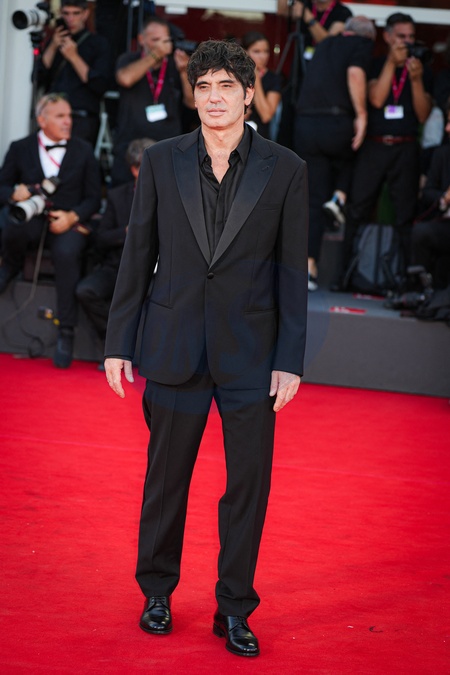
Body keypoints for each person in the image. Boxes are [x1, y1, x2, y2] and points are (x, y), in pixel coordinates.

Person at [104, 39, 308, 657]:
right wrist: (119, 341)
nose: (214, 98)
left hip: (251, 352)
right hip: (174, 344)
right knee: (166, 481)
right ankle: (157, 592)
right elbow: (138, 252)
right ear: (192, 96)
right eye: (203, 87)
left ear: (249, 95)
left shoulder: (286, 167)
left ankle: (235, 607)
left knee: (248, 487)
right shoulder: (161, 159)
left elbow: (290, 272)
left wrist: (290, 359)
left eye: (226, 87)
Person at [0, 94, 101, 368]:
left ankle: (66, 331)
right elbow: (2, 187)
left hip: (67, 220)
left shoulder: (83, 150)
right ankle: (10, 266)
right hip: (32, 217)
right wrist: (14, 193)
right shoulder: (20, 147)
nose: (68, 121)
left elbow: (94, 198)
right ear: (42, 120)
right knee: (13, 226)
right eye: (60, 116)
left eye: (69, 116)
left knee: (67, 254)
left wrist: (73, 216)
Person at [337, 12, 433, 289]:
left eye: (411, 37)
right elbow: (377, 99)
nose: (407, 42)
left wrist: (416, 80)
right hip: (375, 145)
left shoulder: (420, 69)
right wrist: (392, 63)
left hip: (405, 147)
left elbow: (423, 114)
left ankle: (405, 280)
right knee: (358, 208)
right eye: (401, 36)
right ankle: (344, 276)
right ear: (388, 37)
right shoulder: (376, 62)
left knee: (405, 215)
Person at [294, 15, 375, 291]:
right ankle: (339, 197)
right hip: (336, 121)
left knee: (313, 200)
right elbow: (355, 74)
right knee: (359, 150)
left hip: (306, 124)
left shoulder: (325, 44)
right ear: (367, 37)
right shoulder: (361, 45)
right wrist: (362, 115)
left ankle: (309, 268)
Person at [76, 137, 155, 357]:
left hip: (156, 271)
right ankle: (113, 342)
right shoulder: (117, 196)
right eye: (147, 167)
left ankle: (143, 350)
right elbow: (101, 237)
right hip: (118, 266)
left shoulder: (173, 195)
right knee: (86, 291)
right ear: (134, 169)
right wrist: (127, 232)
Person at [111, 15, 196, 185]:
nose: (161, 45)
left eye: (165, 40)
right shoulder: (129, 59)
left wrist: (183, 72)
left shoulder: (174, 64)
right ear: (141, 39)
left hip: (167, 144)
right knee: (126, 192)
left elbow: (192, 103)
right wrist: (156, 55)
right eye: (155, 40)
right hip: (131, 142)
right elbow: (125, 79)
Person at [276, 0, 353, 149]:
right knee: (287, 126)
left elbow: (327, 42)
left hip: (324, 81)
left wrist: (307, 16)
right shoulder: (305, 4)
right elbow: (282, 11)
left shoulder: (342, 12)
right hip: (298, 75)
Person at [38, 0, 112, 146]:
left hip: (81, 117)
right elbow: (38, 78)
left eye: (75, 13)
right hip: (52, 114)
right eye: (66, 13)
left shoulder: (98, 44)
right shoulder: (54, 42)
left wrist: (73, 57)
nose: (70, 19)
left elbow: (100, 85)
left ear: (85, 14)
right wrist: (53, 46)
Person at [411, 102, 450, 288]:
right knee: (421, 232)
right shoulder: (442, 154)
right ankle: (421, 290)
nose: (447, 128)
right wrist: (444, 198)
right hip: (446, 223)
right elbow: (427, 192)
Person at [241, 31, 282, 139]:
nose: (263, 56)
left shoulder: (273, 78)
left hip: (260, 137)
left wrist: (256, 78)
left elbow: (266, 116)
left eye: (266, 51)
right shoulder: (235, 75)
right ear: (245, 52)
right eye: (257, 51)